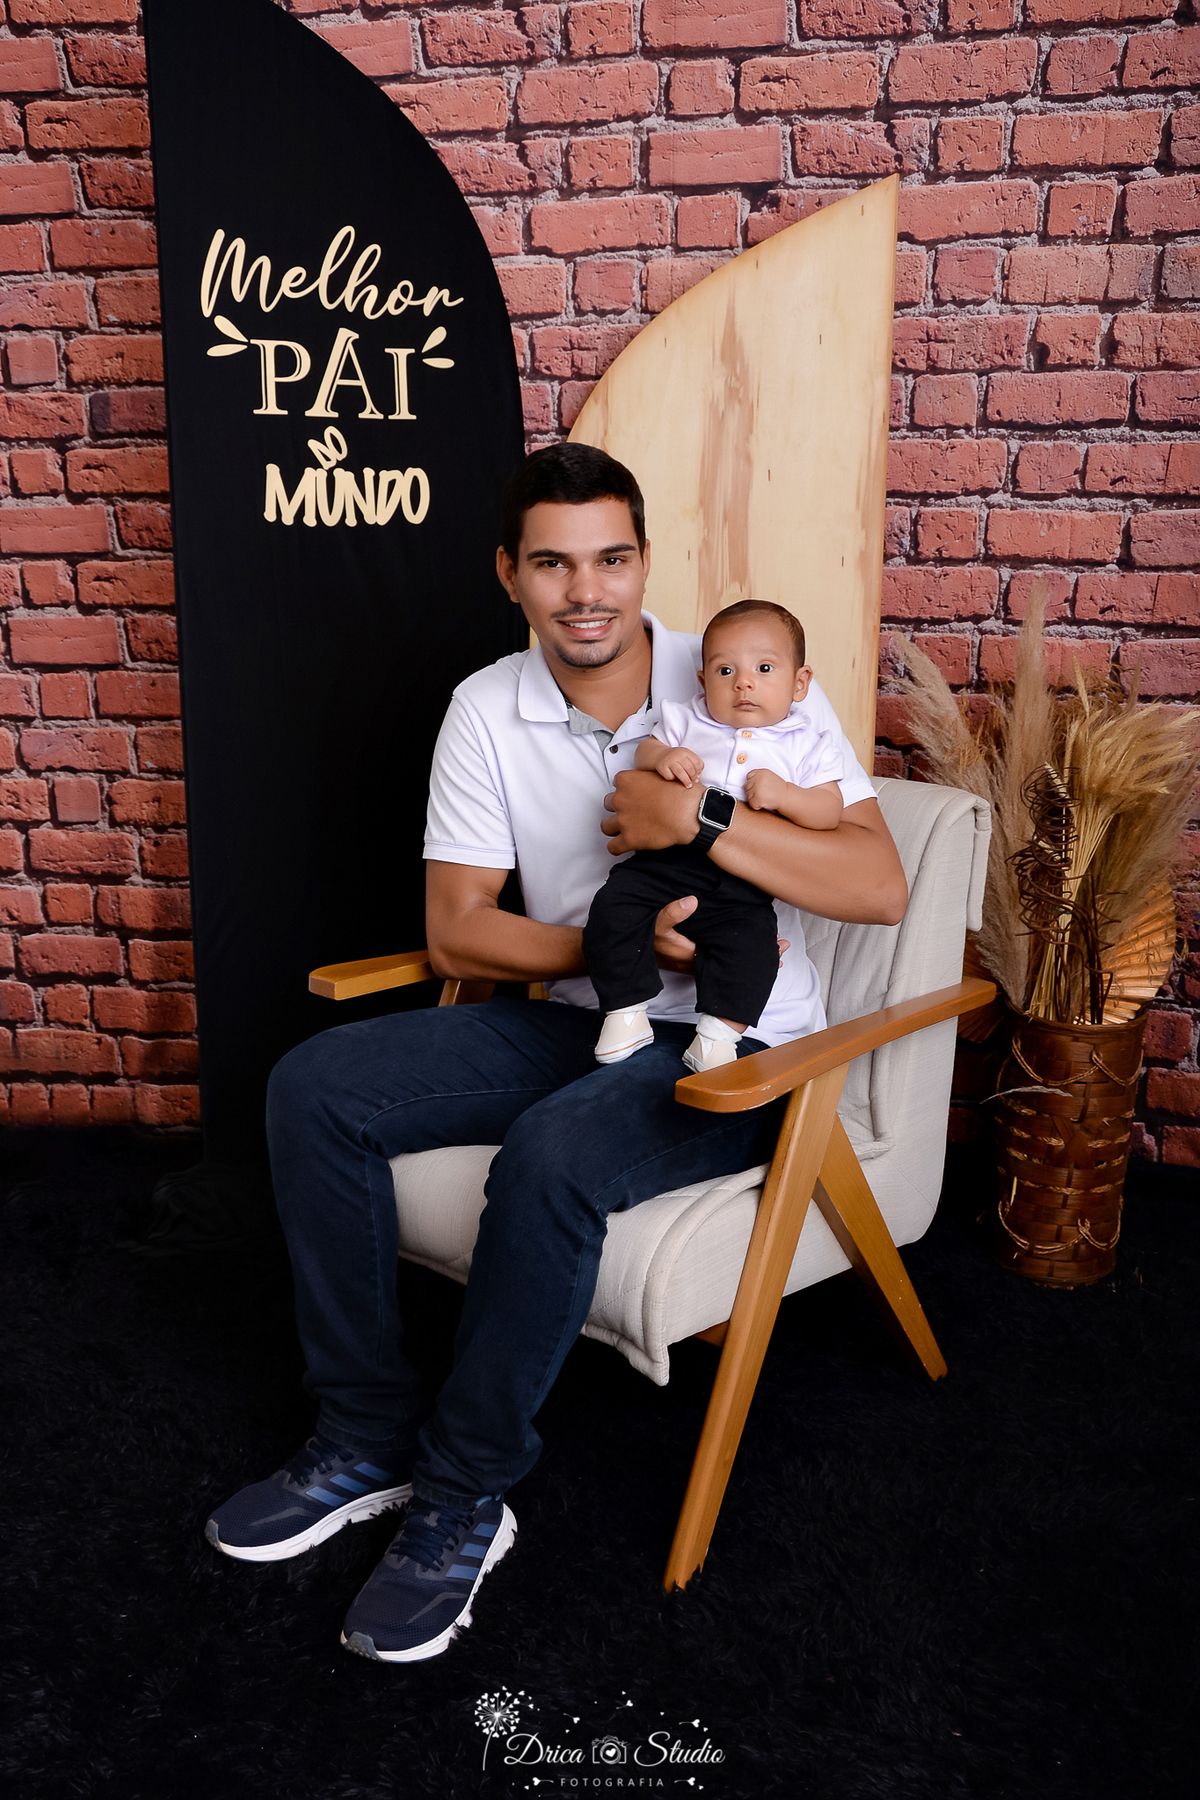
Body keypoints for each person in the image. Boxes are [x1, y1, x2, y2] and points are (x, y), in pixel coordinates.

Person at [205, 443, 907, 1665]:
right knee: (313, 1086)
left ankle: (465, 1496)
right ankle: (365, 1434)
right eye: (553, 564)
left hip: (734, 1046)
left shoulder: (744, 670)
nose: (588, 590)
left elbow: (880, 886)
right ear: (509, 576)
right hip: (578, 1007)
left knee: (547, 1159)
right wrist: (618, 944)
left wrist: (710, 823)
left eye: (612, 559)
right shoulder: (485, 707)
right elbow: (457, 928)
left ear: (644, 563)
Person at [583, 598, 844, 1074]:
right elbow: (647, 749)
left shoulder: (808, 743)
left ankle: (719, 1036)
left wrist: (787, 795)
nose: (743, 682)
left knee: (755, 950)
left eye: (764, 668)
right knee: (613, 906)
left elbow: (828, 811)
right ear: (704, 682)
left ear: (800, 682)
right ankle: (625, 1012)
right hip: (667, 863)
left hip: (747, 881)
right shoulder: (689, 718)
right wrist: (662, 759)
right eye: (725, 671)